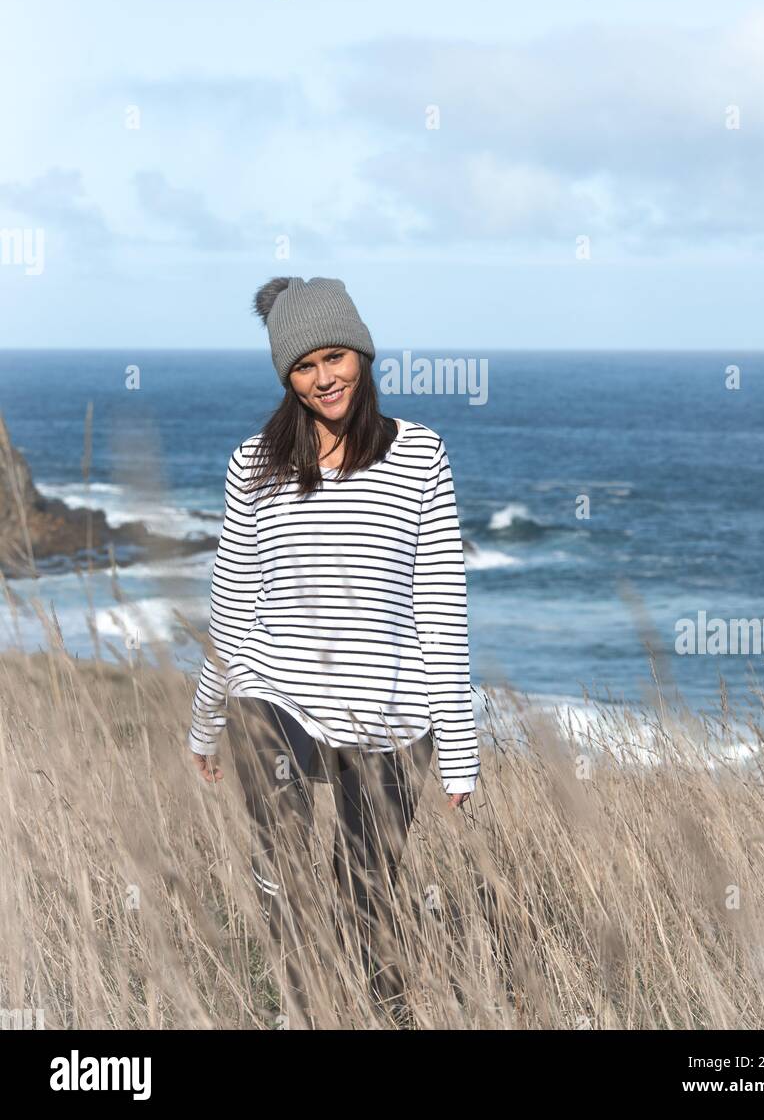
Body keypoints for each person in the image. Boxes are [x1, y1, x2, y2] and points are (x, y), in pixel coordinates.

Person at [187, 275, 481, 1023]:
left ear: (362, 353)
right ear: (286, 376)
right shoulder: (254, 463)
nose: (324, 379)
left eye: (335, 357)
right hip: (273, 692)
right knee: (281, 865)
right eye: (304, 366)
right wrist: (202, 718)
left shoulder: (420, 455)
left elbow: (440, 606)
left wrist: (458, 747)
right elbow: (232, 602)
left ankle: (376, 1012)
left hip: (390, 707)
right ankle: (296, 1008)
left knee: (367, 892)